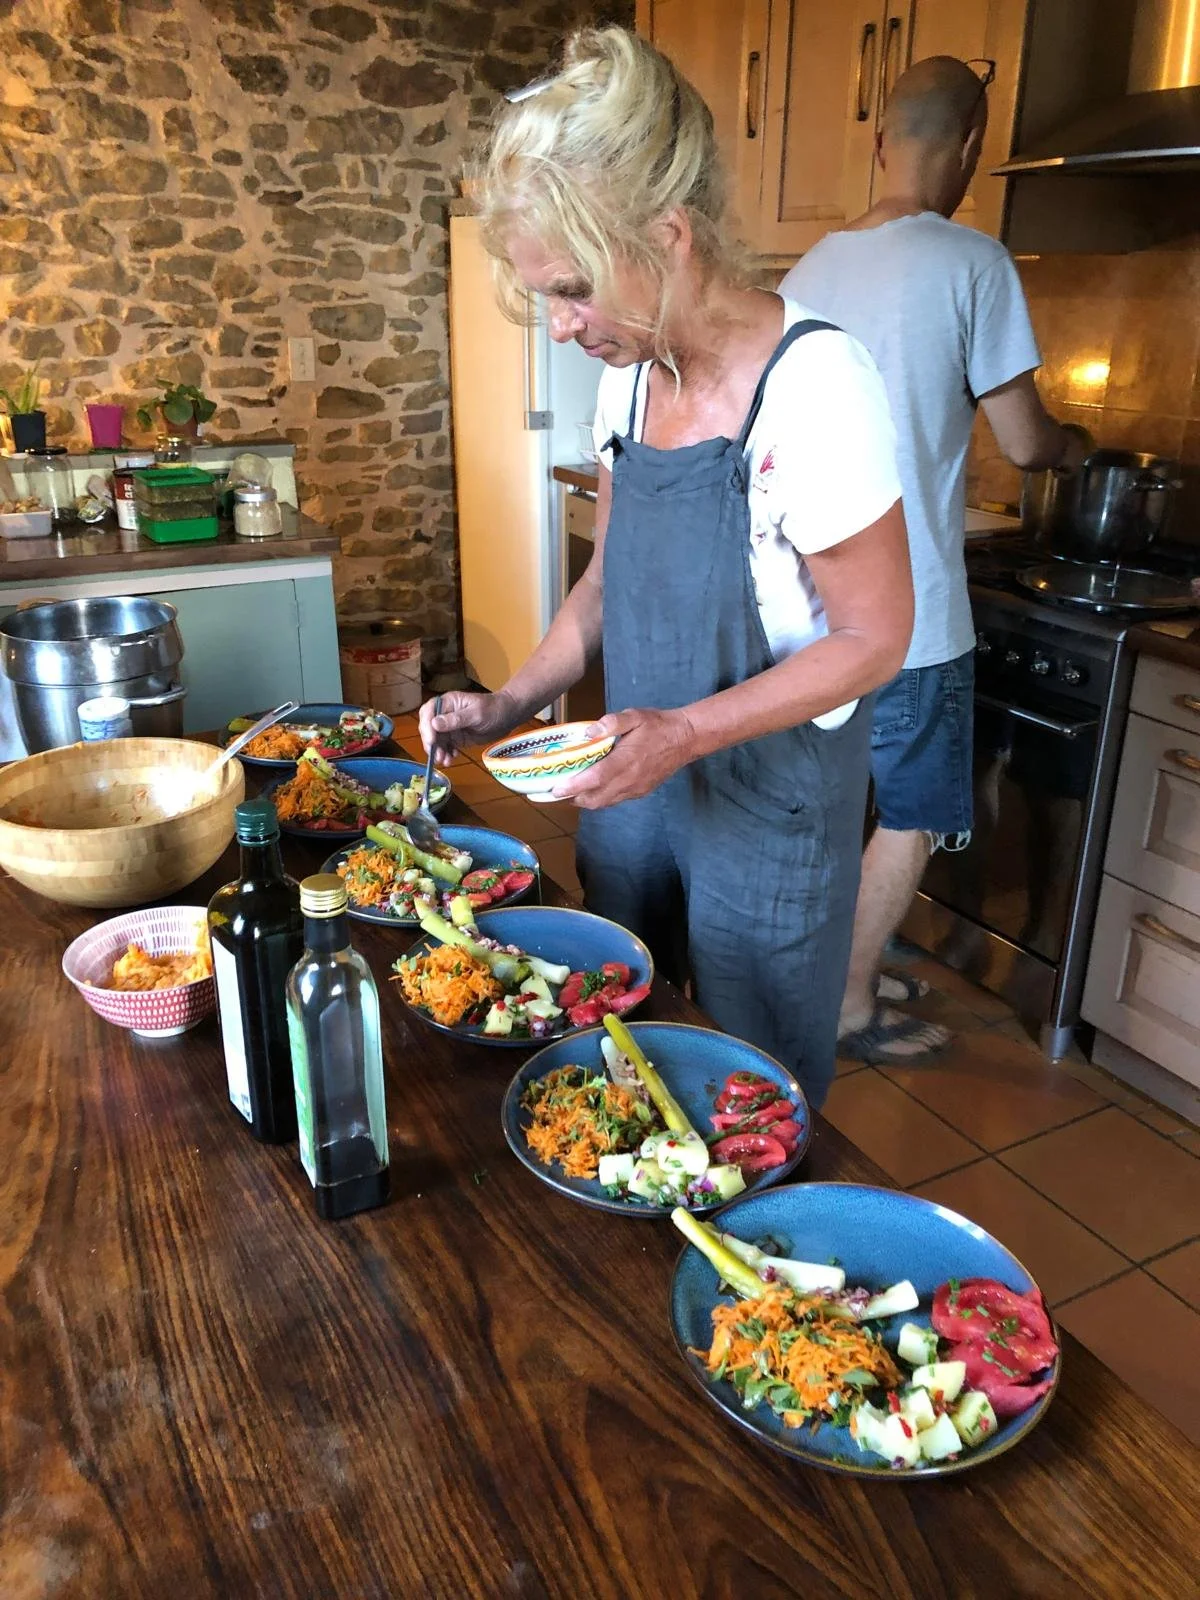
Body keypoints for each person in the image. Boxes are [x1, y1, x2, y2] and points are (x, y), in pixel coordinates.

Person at [418, 26, 914, 1109]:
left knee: (745, 1094)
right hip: (635, 791)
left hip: (769, 810)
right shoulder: (630, 377)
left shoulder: (817, 385)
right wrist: (511, 698)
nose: (560, 326)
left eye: (575, 289)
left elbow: (876, 638)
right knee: (618, 1059)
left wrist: (686, 733)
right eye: (545, 294)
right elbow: (608, 581)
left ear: (668, 233)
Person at [779, 55, 1090, 1066]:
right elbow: (1028, 439)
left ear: (879, 143)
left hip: (805, 603)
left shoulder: (808, 270)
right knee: (910, 814)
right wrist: (1075, 445)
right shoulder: (973, 263)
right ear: (969, 147)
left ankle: (837, 967)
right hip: (910, 606)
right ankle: (850, 1007)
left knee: (842, 808)